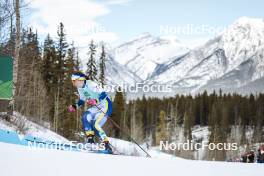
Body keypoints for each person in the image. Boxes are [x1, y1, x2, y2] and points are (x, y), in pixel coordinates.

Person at [68, 72, 113, 153]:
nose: (73, 83)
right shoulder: (80, 88)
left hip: (106, 104)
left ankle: (106, 144)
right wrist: (75, 106)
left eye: (74, 81)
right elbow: (82, 100)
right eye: (72, 81)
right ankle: (90, 141)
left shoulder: (91, 84)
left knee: (96, 125)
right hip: (97, 106)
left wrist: (96, 100)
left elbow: (104, 94)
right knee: (86, 116)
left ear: (80, 80)